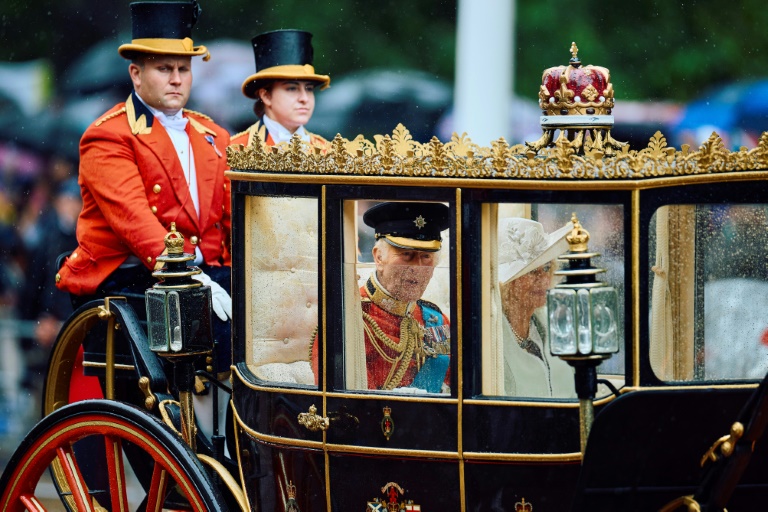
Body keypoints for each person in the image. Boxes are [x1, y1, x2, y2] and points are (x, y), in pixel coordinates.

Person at [55, 1, 232, 375]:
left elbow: (232, 220)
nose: (177, 79)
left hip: (204, 275)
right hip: (132, 283)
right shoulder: (107, 136)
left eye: (184, 69)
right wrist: (192, 275)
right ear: (136, 74)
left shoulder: (215, 136)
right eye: (164, 69)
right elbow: (136, 223)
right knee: (227, 332)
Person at [313, 202, 451, 392]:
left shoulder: (436, 320)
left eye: (426, 257)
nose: (417, 268)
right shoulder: (347, 320)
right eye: (406, 254)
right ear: (379, 258)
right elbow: (348, 402)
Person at [497, 217, 576, 398]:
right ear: (507, 283)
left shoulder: (556, 325)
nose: (544, 280)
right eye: (532, 272)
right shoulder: (493, 338)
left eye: (547, 268)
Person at [231, 29, 330, 148]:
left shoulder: (328, 151)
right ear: (266, 96)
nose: (304, 98)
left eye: (309, 89)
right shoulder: (236, 149)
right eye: (292, 88)